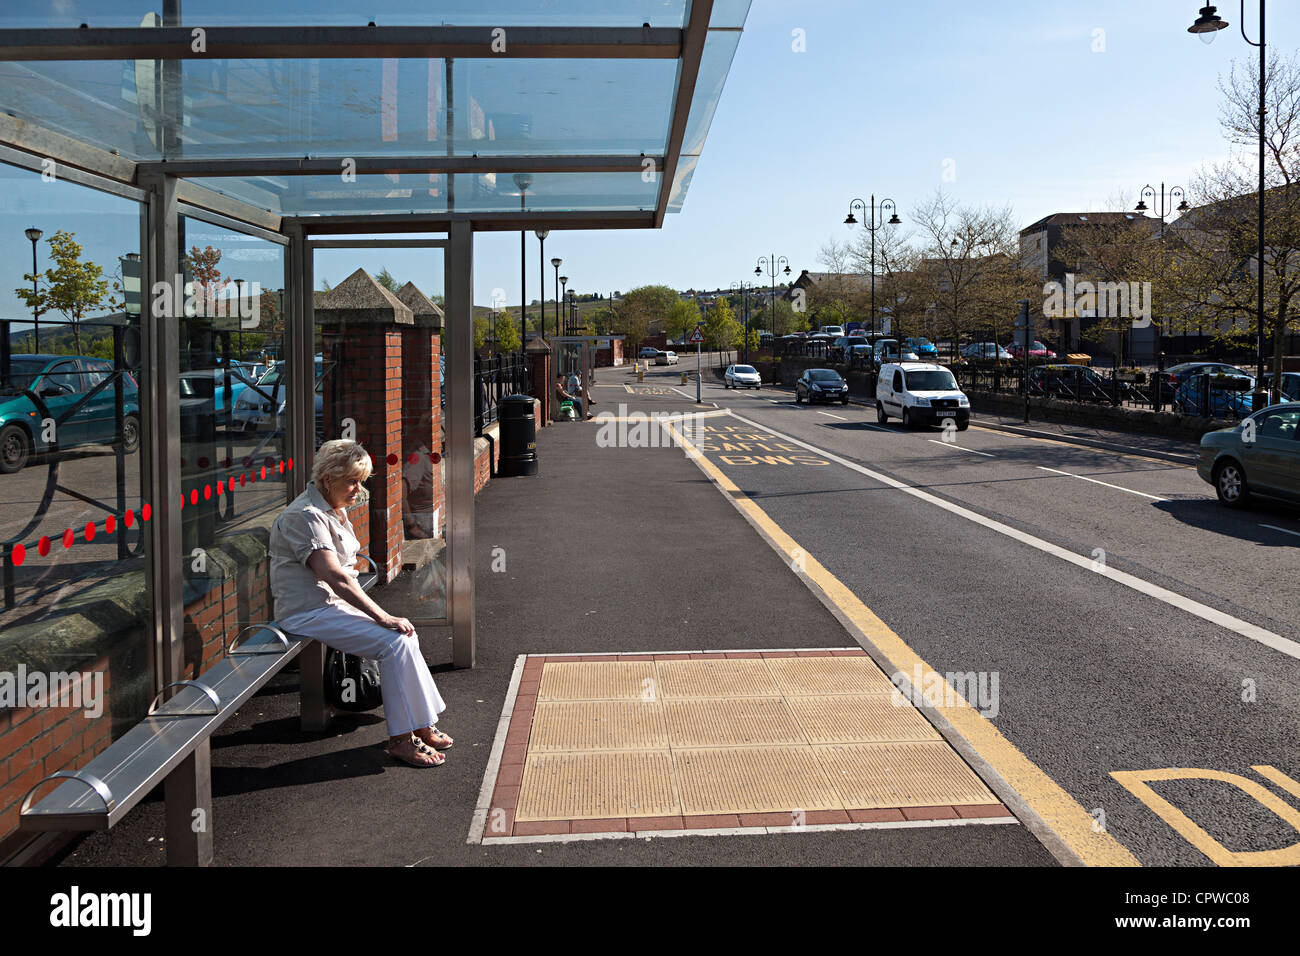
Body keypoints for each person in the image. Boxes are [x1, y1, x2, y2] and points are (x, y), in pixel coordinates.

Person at [269, 439, 452, 767]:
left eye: (361, 481)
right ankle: (400, 740)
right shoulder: (305, 515)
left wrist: (386, 618)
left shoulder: (332, 509)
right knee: (394, 642)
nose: (358, 490)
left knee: (406, 636)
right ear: (328, 479)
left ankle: (422, 724)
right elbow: (334, 575)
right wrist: (382, 615)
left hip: (329, 605)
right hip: (307, 611)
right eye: (352, 481)